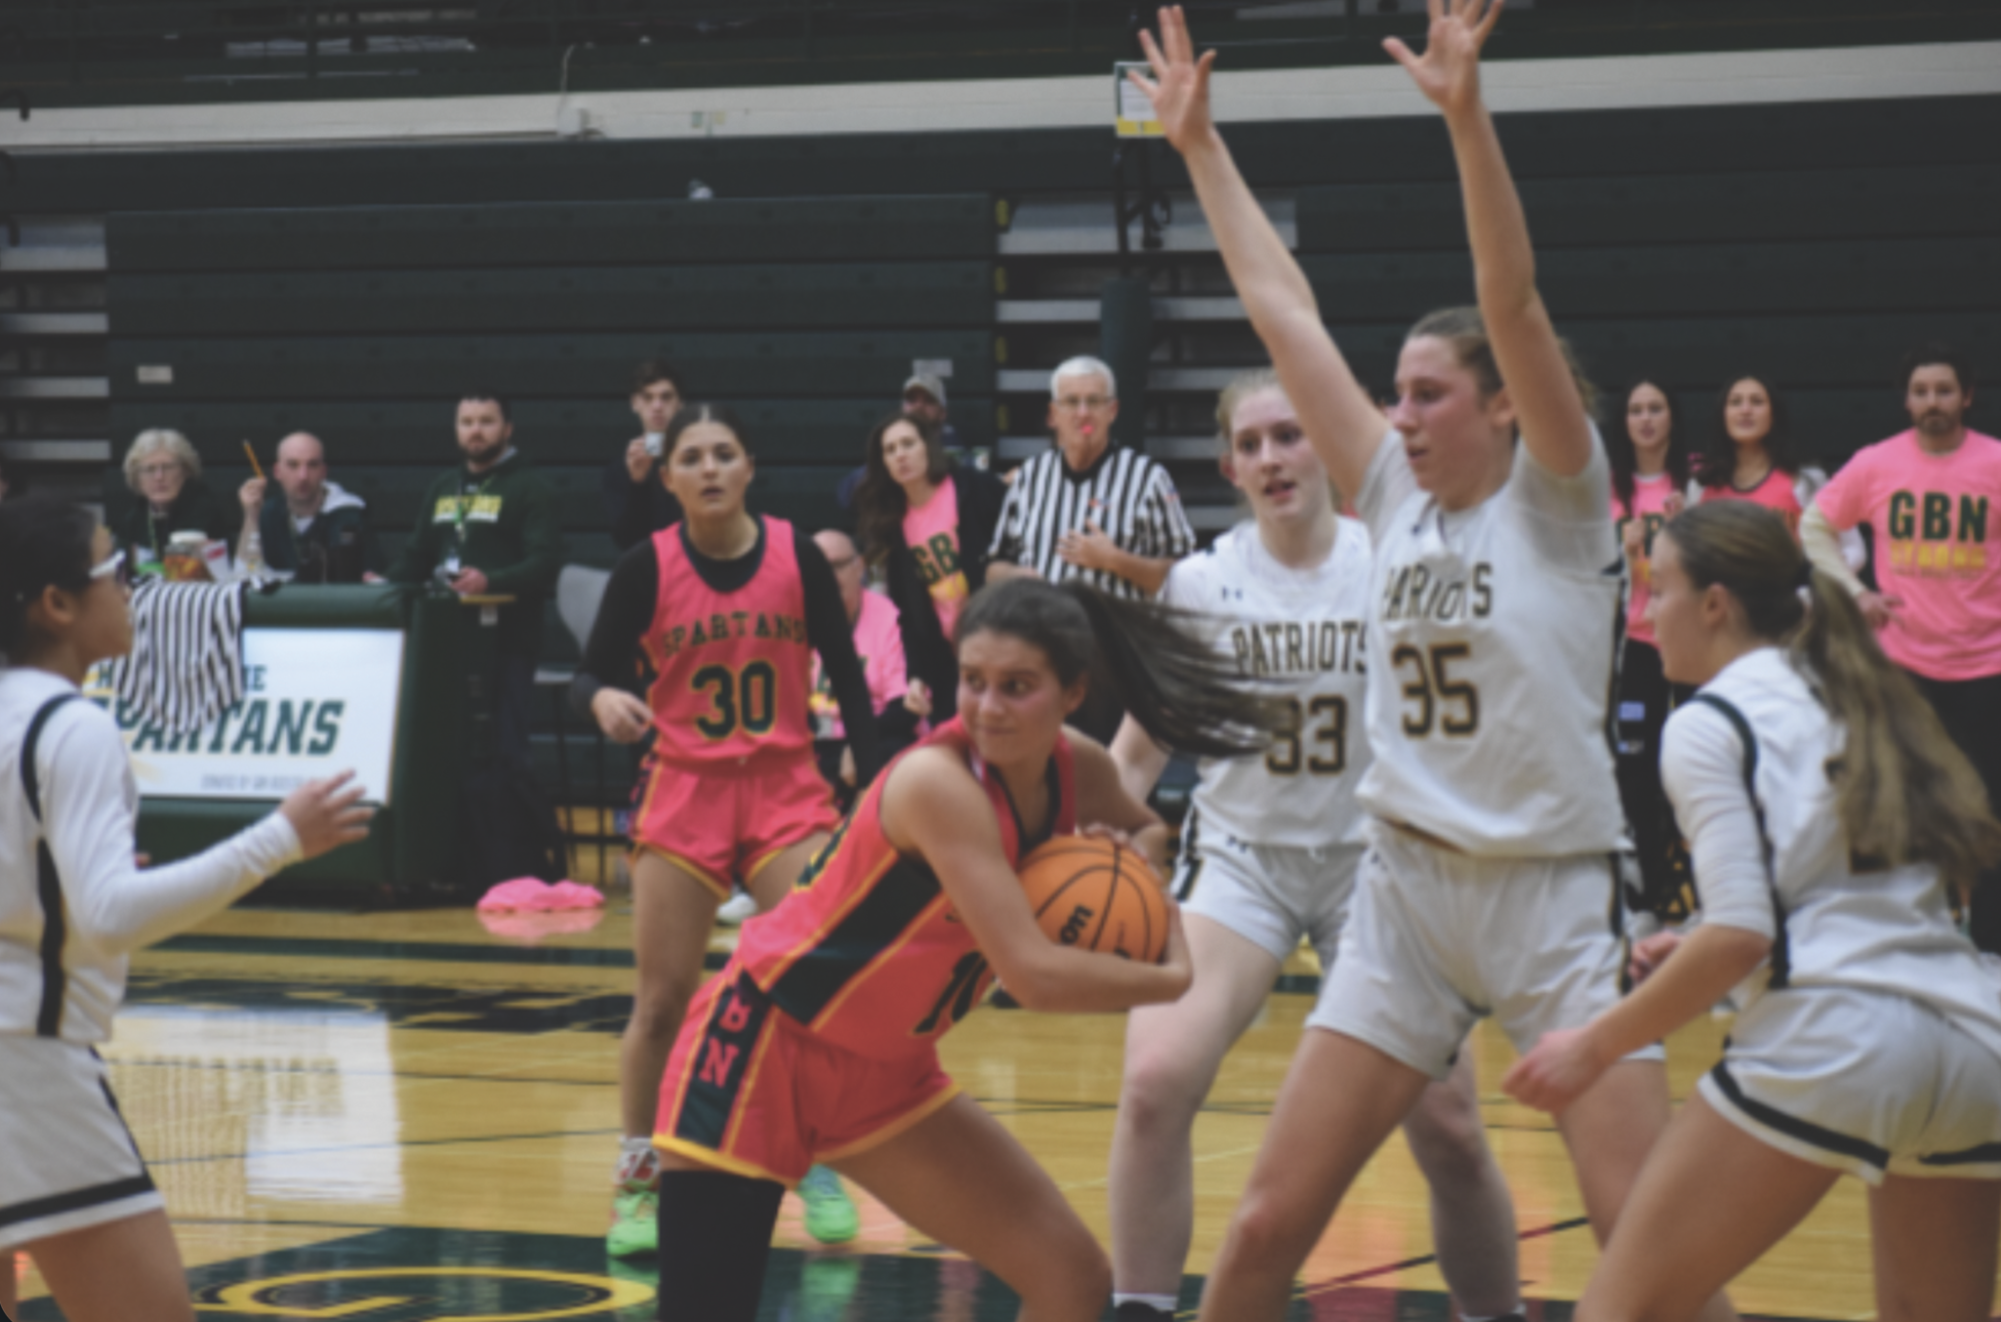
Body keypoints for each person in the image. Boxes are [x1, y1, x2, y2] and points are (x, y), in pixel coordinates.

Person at [1128, 7, 1738, 1320]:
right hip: (1402, 893)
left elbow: (1509, 299)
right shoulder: (1391, 495)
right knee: (1263, 1224)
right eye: (1393, 394)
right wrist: (1199, 149)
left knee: (1644, 1240)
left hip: (1551, 893)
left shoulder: (1559, 503)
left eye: (1428, 394)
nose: (1397, 415)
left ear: (1503, 400)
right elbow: (1280, 308)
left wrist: (1465, 117)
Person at [649, 574, 1277, 1321]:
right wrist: (1168, 978)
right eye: (973, 681)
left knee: (1070, 1279)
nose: (987, 707)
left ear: (1072, 693)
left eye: (1017, 686)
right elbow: (1032, 977)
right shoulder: (938, 785)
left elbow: (1142, 824)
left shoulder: (1077, 765)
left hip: (887, 1072)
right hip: (762, 1049)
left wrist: (1134, 860)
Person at [1505, 500, 2001, 1322]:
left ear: (1714, 603)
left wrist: (1592, 1046)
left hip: (1835, 1038)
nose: (1647, 609)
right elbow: (1851, 890)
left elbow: (1741, 934)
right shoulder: (1856, 693)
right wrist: (1702, 938)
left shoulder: (1709, 720)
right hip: (1970, 1045)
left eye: (1660, 586)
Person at [1104, 369, 1521, 1322]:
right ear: (1228, 468)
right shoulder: (1201, 584)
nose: (1270, 459)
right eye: (1249, 445)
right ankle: (1140, 1308)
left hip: (1377, 867)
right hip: (1242, 861)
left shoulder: (1396, 562)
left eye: (1288, 436)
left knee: (1449, 1124)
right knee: (1154, 1083)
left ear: (1327, 449)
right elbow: (1135, 753)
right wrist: (1098, 831)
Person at [0, 497, 372, 1322]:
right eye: (114, 569)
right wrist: (279, 838)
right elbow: (109, 917)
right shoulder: (72, 725)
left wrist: (51, 883)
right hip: (26, 1061)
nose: (132, 585)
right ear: (56, 604)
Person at [570, 404, 884, 1259]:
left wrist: (875, 774)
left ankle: (813, 1158)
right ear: (668, 478)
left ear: (749, 467)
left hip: (785, 790)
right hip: (685, 790)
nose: (708, 468)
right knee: (660, 1002)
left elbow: (847, 672)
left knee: (813, 984)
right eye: (691, 458)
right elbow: (588, 673)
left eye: (723, 454)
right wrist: (601, 700)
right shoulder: (645, 566)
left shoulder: (796, 555)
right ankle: (638, 1181)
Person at [1803, 343, 2001, 953]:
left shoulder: (1995, 461)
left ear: (1966, 397)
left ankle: (1990, 945)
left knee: (1990, 811)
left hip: (1987, 666)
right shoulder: (1876, 463)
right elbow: (1814, 527)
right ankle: (1919, 939)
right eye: (1921, 392)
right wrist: (1855, 592)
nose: (1932, 402)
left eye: (1943, 390)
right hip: (1905, 667)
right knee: (1905, 806)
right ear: (1907, 400)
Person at [386, 393, 564, 767]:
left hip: (507, 641)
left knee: (504, 751)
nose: (476, 431)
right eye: (467, 423)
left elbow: (546, 563)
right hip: (443, 637)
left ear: (508, 429)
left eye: (486, 421)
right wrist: (382, 586)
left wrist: (490, 581)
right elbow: (417, 556)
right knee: (447, 748)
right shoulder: (443, 485)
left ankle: (511, 807)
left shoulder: (531, 487)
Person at [985, 355, 1194, 601]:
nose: (1083, 413)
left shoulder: (1148, 478)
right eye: (1071, 401)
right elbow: (993, 567)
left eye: (1094, 401)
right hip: (1043, 624)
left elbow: (1185, 575)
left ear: (1112, 411)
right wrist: (1020, 576)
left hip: (1117, 625)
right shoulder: (1029, 476)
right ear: (1053, 414)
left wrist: (1115, 560)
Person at [851, 411, 1008, 726]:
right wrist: (916, 676)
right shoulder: (894, 524)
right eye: (890, 449)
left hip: (1000, 639)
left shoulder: (972, 487)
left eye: (908, 443)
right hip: (948, 660)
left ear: (927, 447)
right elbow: (909, 615)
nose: (900, 454)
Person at [1611, 380, 1693, 919]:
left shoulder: (1696, 483)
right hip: (1635, 648)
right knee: (1635, 771)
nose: (1645, 418)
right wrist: (1624, 555)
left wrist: (1689, 533)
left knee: (1692, 765)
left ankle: (1697, 898)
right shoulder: (1608, 490)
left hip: (1691, 646)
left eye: (1655, 408)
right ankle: (1646, 900)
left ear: (1671, 417)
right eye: (1635, 409)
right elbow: (1590, 572)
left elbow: (1718, 563)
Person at [808, 528, 924, 807]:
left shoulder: (889, 617)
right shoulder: (793, 618)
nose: (828, 577)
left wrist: (858, 743)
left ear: (859, 566)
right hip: (815, 743)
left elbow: (904, 709)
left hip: (876, 737)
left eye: (837, 566)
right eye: (817, 568)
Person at [235, 432, 382, 582]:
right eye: (293, 465)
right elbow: (245, 573)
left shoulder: (348, 515)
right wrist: (251, 514)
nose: (303, 476)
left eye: (312, 465)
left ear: (323, 472)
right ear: (277, 472)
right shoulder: (269, 512)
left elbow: (373, 579)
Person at [112, 430, 239, 572]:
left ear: (186, 471)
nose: (159, 477)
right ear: (137, 479)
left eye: (168, 467)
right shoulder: (132, 521)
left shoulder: (206, 513)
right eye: (149, 469)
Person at [606, 360, 686, 553]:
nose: (657, 406)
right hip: (646, 566)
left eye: (666, 397)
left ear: (680, 404)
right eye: (648, 398)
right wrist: (638, 484)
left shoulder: (698, 462)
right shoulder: (619, 470)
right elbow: (627, 540)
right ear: (635, 403)